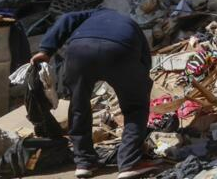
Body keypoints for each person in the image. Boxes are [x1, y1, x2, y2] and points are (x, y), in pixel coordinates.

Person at [31, 9, 155, 179]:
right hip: (119, 51)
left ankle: (84, 162)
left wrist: (46, 50)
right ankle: (129, 163)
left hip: (80, 52)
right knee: (136, 107)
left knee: (78, 105)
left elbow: (66, 17)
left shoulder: (89, 16)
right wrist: (139, 84)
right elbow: (145, 59)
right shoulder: (130, 23)